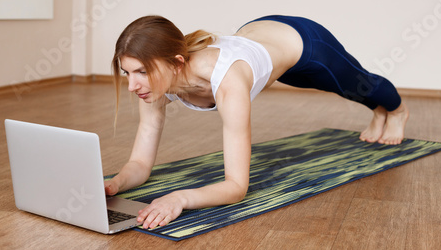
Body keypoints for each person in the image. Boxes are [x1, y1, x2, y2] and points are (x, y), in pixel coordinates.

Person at [104, 15, 409, 229]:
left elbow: (237, 187)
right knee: (350, 89)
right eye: (127, 72)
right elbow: (140, 165)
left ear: (177, 63)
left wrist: (180, 198)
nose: (132, 85)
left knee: (357, 85)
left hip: (303, 43)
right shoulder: (155, 86)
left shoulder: (227, 81)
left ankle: (394, 112)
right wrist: (115, 183)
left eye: (141, 72)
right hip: (261, 36)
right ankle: (378, 111)